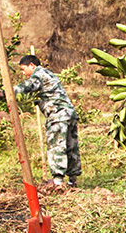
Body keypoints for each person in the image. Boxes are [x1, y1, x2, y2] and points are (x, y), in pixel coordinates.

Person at [15, 55, 81, 188]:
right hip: (69, 114)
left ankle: (58, 180)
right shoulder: (49, 74)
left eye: (24, 69)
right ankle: (72, 180)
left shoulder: (39, 74)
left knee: (57, 144)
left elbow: (28, 86)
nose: (23, 73)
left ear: (32, 66)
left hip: (57, 115)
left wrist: (8, 92)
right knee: (71, 145)